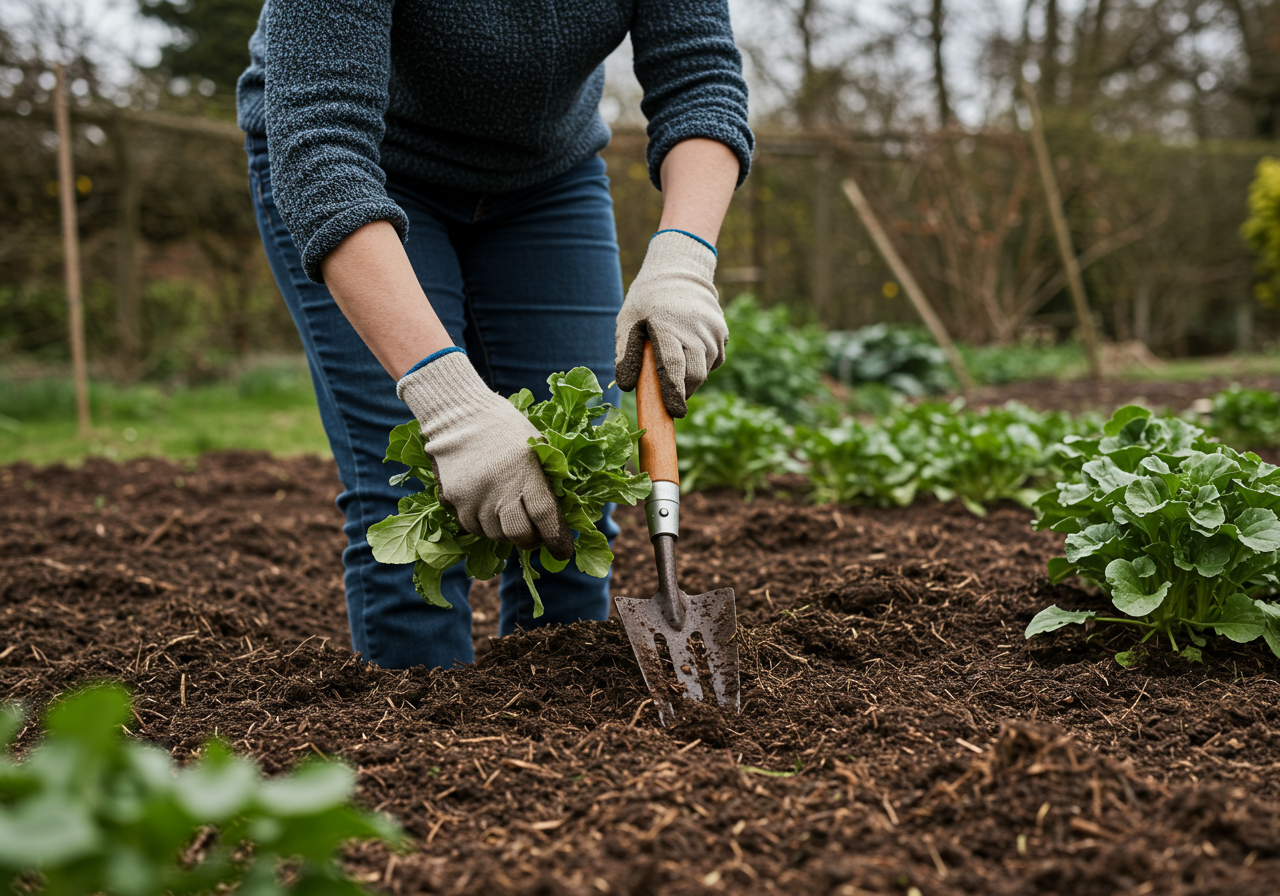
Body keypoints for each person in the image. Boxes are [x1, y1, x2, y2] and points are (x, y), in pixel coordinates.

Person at [236, 0, 753, 671]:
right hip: (358, 166)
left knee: (573, 487)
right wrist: (449, 403)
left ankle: (566, 723)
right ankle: (417, 725)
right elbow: (321, 141)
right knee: (414, 492)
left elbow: (700, 78)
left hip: (546, 178)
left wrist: (684, 257)